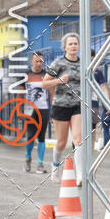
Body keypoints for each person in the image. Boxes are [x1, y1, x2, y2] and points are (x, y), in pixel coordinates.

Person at [43, 32, 83, 184]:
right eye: (70, 44)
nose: (73, 46)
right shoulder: (58, 63)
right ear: (65, 47)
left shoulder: (83, 62)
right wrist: (58, 80)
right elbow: (44, 83)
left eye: (75, 43)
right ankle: (55, 166)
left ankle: (79, 175)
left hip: (77, 104)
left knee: (78, 139)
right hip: (60, 105)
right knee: (61, 141)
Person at [24, 50, 51, 173]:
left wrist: (52, 111)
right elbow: (19, 94)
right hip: (29, 109)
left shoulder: (47, 75)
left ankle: (40, 164)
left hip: (43, 109)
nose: (39, 64)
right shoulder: (25, 75)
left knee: (41, 137)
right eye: (37, 61)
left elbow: (52, 93)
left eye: (41, 61)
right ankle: (28, 159)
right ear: (31, 61)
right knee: (30, 136)